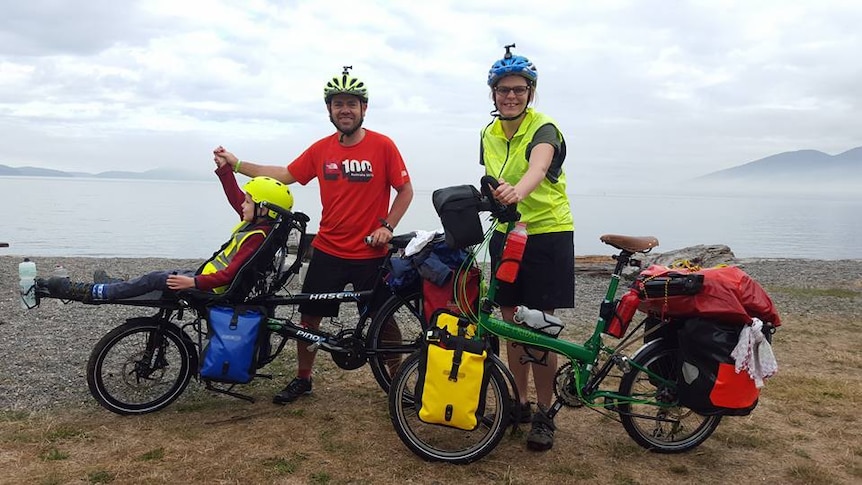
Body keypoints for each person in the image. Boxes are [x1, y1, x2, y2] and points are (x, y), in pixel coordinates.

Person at [212, 66, 413, 405]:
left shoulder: (383, 146)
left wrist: (387, 226)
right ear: (329, 110)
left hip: (370, 253)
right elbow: (285, 174)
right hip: (328, 250)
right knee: (309, 319)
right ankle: (304, 379)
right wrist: (237, 164)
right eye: (338, 104)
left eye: (351, 103)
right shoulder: (321, 150)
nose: (345, 110)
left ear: (364, 108)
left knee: (383, 321)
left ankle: (398, 381)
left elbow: (405, 190)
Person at [481, 44, 574, 452]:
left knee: (537, 327)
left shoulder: (545, 128)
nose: (511, 96)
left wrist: (516, 192)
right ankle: (517, 404)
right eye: (503, 90)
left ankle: (544, 412)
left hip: (547, 234)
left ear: (530, 92)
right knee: (507, 322)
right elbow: (491, 179)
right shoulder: (488, 132)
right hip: (507, 233)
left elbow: (538, 167)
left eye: (519, 89)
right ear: (493, 94)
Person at [39, 159, 294, 302]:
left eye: (249, 201)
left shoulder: (256, 236)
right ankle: (120, 286)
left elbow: (230, 273)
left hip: (211, 287)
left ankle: (98, 292)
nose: (243, 203)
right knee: (155, 277)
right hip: (207, 279)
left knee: (155, 279)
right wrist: (225, 170)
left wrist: (193, 282)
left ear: (264, 209)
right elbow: (234, 196)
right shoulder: (258, 226)